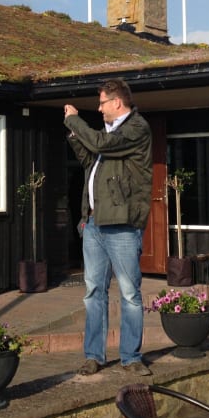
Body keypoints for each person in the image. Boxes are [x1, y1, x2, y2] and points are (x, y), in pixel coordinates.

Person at [64, 79, 153, 376]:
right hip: (94, 223)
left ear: (117, 102)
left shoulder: (136, 129)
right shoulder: (108, 134)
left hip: (123, 225)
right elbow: (91, 158)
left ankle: (131, 357)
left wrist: (75, 119)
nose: (99, 109)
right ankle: (94, 356)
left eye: (102, 103)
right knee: (93, 292)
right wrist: (76, 135)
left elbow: (102, 145)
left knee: (129, 293)